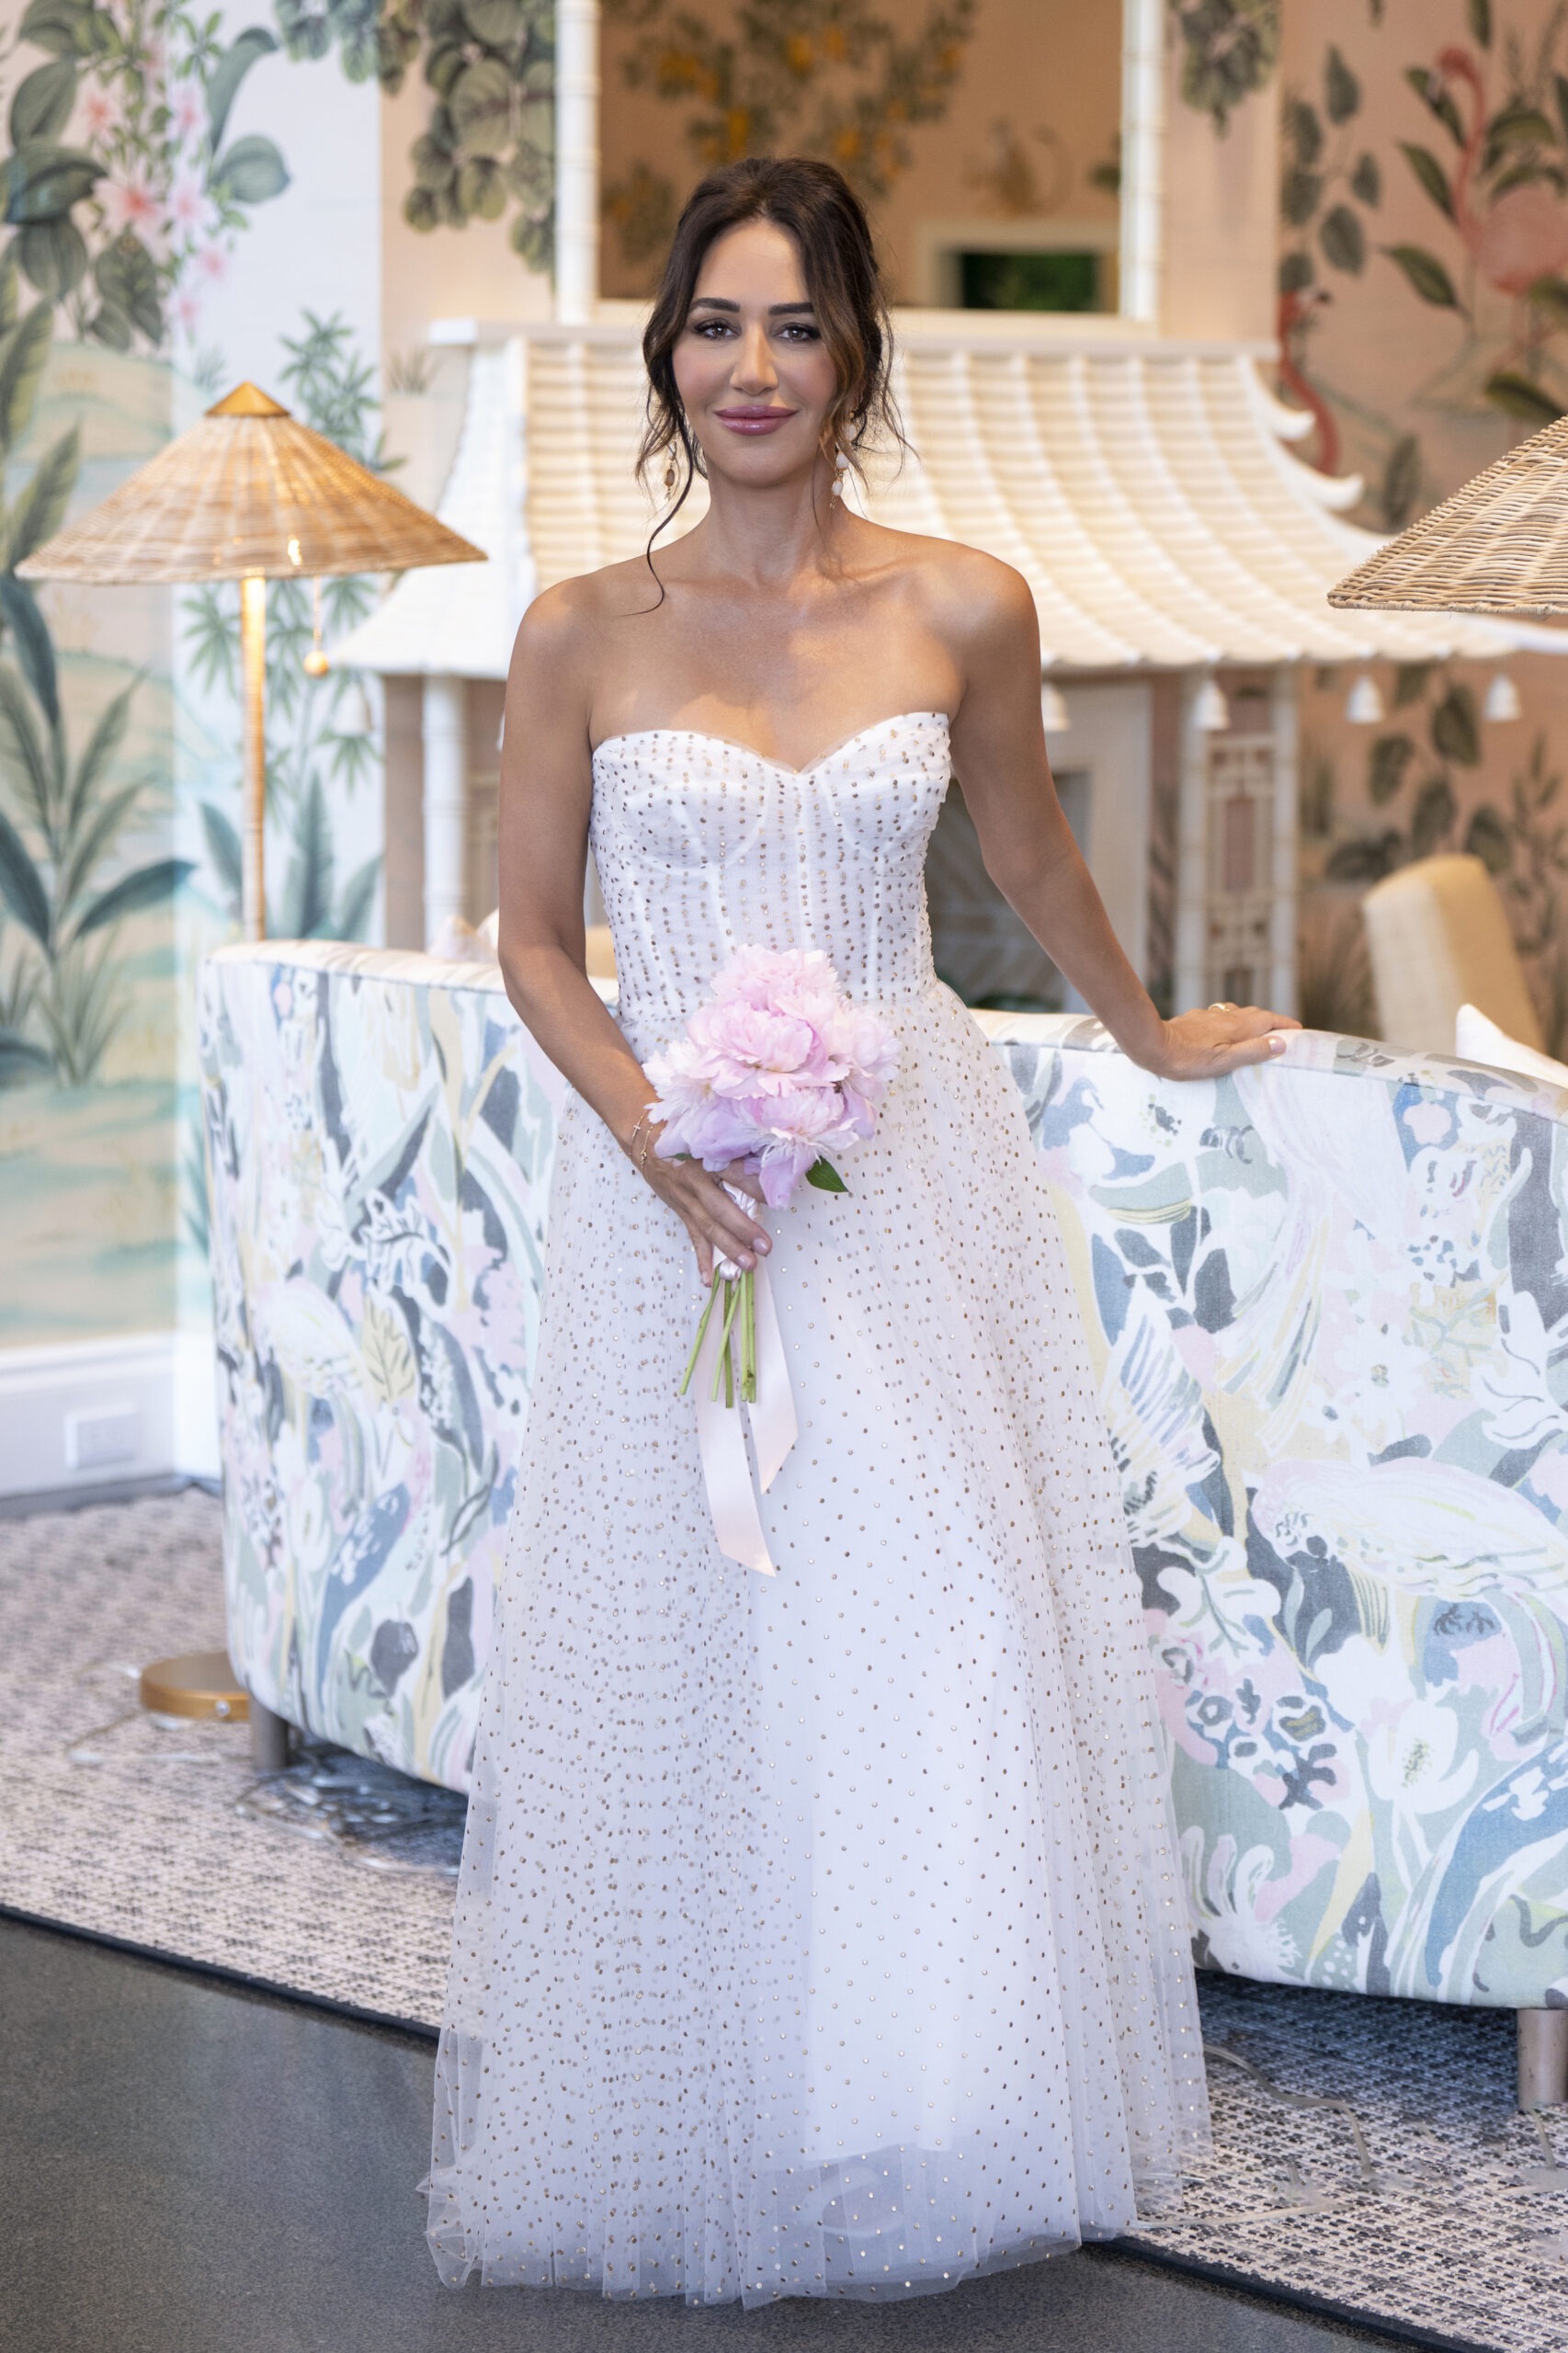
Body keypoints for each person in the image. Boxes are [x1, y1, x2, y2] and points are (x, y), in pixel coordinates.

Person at [426, 155, 1298, 2307]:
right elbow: (533, 942)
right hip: (679, 1198)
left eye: (794, 327)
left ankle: (935, 2097)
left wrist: (1160, 1027)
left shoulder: (962, 603)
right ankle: (719, 2098)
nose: (750, 369)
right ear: (666, 357)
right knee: (708, 1641)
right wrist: (657, 1133)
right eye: (715, 327)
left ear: (853, 357)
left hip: (906, 1174)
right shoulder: (580, 630)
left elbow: (1033, 852)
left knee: (941, 1628)